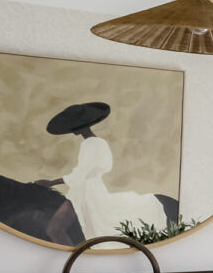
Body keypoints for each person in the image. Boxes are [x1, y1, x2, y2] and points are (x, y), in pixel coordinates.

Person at [38, 101, 168, 240]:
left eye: (73, 126)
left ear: (80, 126)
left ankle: (71, 255)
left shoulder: (91, 144)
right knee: (65, 229)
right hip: (89, 189)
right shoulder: (97, 142)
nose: (72, 130)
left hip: (86, 192)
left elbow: (80, 173)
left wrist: (51, 183)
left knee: (55, 228)